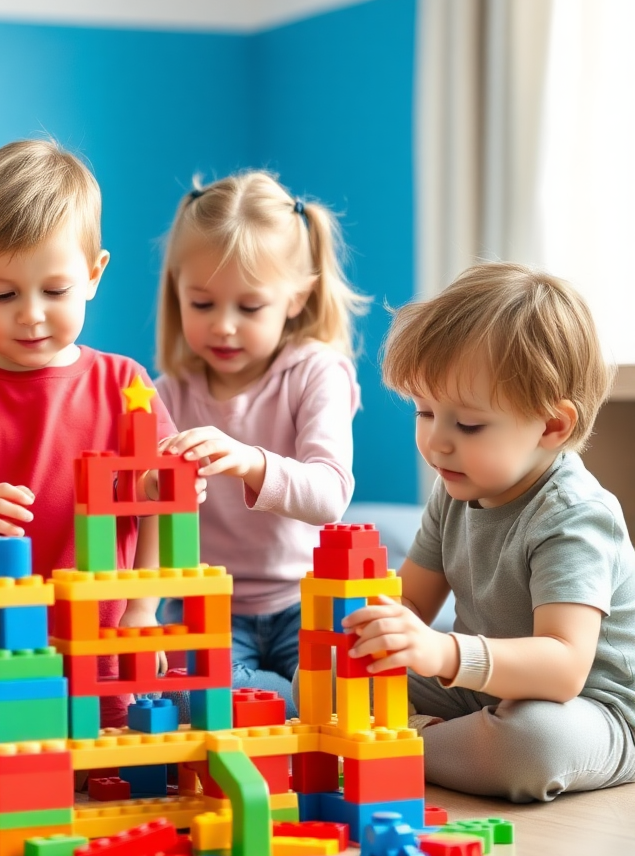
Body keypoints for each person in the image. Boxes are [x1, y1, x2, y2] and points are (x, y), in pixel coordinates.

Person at [344, 262, 635, 802]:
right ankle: (424, 741)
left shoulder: (574, 515)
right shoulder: (454, 492)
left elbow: (564, 667)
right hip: (482, 690)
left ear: (553, 426)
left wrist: (443, 654)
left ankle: (398, 747)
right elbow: (410, 601)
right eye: (424, 412)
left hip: (590, 710)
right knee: (333, 671)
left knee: (532, 744)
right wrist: (371, 624)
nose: (436, 442)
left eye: (468, 424)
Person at [0, 139, 177, 730]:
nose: (30, 314)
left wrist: (142, 609)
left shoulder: (124, 384)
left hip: (101, 643)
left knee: (103, 772)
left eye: (53, 291)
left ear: (93, 274)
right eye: (2, 295)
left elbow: (160, 503)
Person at [154, 173, 367, 717]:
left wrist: (250, 460)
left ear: (296, 300)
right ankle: (292, 703)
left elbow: (329, 494)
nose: (224, 327)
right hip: (208, 609)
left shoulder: (317, 373)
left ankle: (292, 701)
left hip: (306, 604)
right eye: (202, 304)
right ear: (177, 290)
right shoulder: (166, 393)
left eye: (249, 308)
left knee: (359, 685)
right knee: (188, 692)